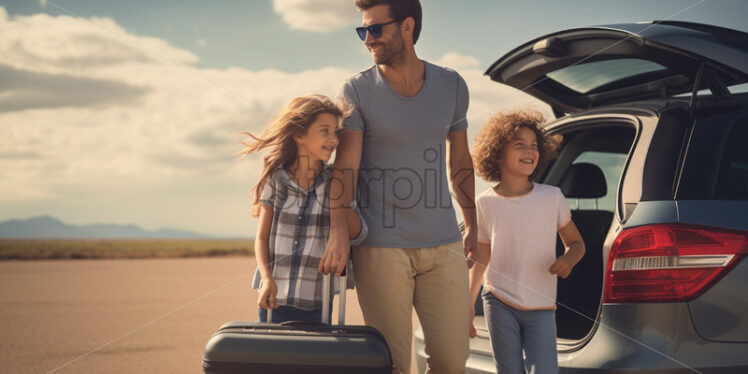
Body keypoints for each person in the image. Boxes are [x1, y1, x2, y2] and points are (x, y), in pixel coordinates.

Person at [318, 1, 477, 372]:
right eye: (362, 31)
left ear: (407, 27)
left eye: (375, 29)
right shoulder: (355, 89)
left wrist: (472, 221)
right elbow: (346, 168)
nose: (367, 39)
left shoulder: (452, 85)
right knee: (392, 364)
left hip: (443, 245)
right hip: (381, 248)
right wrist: (339, 232)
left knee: (453, 361)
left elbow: (461, 162)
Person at [469, 110, 586, 374]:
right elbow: (482, 257)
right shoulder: (484, 202)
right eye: (519, 144)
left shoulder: (551, 197)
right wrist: (468, 304)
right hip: (498, 300)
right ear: (497, 153)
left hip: (541, 305)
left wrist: (568, 259)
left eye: (534, 145)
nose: (529, 150)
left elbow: (577, 243)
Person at [241, 94, 367, 324]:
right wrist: (266, 278)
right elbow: (261, 238)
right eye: (325, 130)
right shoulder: (276, 179)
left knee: (315, 359)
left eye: (335, 132)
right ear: (299, 135)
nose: (334, 140)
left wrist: (341, 198)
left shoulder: (335, 181)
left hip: (319, 301)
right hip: (275, 298)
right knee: (273, 358)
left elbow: (359, 233)